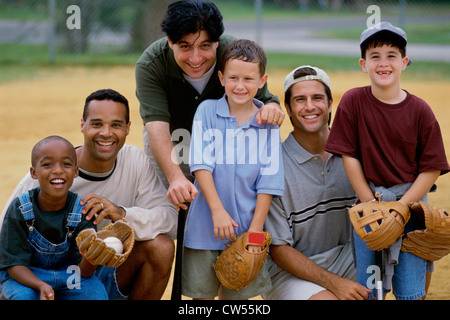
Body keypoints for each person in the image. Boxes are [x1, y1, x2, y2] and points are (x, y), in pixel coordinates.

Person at [0, 89, 179, 300]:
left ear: (128, 128)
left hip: (88, 274)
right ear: (82, 124)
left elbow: (171, 221)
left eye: (116, 125)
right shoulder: (50, 173)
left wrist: (121, 214)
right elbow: (6, 238)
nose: (106, 133)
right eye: (96, 124)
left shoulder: (135, 161)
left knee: (162, 247)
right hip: (36, 278)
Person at [325, 22, 450, 300]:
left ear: (404, 62)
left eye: (391, 55)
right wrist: (369, 202)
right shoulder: (353, 102)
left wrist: (401, 209)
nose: (384, 63)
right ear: (363, 64)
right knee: (370, 290)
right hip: (369, 208)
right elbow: (350, 155)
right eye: (375, 56)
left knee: (410, 290)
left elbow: (431, 168)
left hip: (411, 207)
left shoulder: (420, 111)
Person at [135, 0, 284, 210]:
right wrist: (176, 178)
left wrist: (272, 109)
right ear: (170, 42)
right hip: (173, 140)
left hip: (220, 142)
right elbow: (156, 128)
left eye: (204, 46)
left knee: (220, 207)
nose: (195, 58)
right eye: (185, 46)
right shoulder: (151, 64)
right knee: (169, 210)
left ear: (216, 42)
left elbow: (267, 100)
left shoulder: (234, 55)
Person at [182, 39, 284, 300]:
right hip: (205, 227)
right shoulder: (206, 111)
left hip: (247, 231)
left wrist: (256, 231)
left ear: (263, 81)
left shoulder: (267, 124)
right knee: (201, 300)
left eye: (249, 79)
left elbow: (269, 181)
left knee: (238, 300)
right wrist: (217, 212)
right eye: (233, 78)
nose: (240, 86)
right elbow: (201, 165)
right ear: (221, 77)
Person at [262, 65, 371, 300]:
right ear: (288, 109)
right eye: (300, 100)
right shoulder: (273, 164)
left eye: (317, 98)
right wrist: (336, 285)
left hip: (349, 259)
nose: (310, 106)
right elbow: (279, 250)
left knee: (412, 250)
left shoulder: (356, 153)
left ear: (330, 103)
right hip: (289, 273)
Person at [0, 136, 108, 300]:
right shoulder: (20, 208)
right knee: (25, 296)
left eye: (66, 164)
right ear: (33, 173)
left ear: (76, 171)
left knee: (95, 295)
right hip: (27, 275)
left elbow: (84, 272)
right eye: (47, 164)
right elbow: (14, 265)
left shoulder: (82, 210)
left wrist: (93, 255)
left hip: (69, 276)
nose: (58, 170)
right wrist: (41, 286)